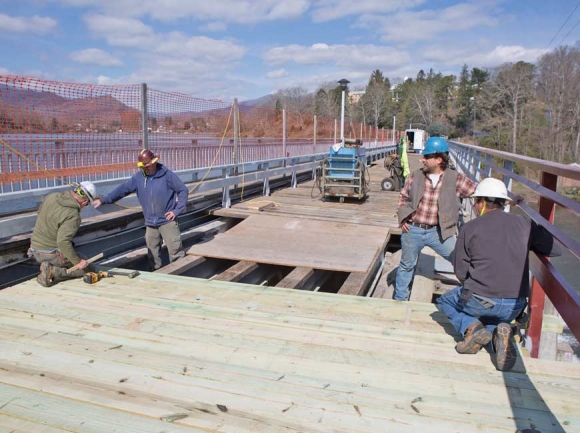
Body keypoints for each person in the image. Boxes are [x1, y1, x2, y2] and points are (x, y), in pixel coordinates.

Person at [436, 178, 561, 371]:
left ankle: (472, 327)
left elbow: (460, 272)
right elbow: (554, 249)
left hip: (481, 300)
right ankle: (499, 333)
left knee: (445, 301)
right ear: (503, 202)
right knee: (494, 316)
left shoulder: (469, 228)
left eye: (476, 202)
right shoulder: (524, 224)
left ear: (483, 202)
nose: (475, 206)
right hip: (515, 305)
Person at [394, 136, 478, 301]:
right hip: (413, 229)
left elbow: (479, 193)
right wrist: (402, 218)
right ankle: (400, 300)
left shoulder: (456, 179)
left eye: (426, 156)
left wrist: (505, 197)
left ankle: (472, 297)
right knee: (406, 266)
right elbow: (402, 197)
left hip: (439, 232)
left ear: (439, 159)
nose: (422, 159)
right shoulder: (415, 176)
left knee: (459, 260)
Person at [93, 149, 188, 270]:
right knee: (153, 254)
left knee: (175, 251)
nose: (145, 168)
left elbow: (182, 190)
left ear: (154, 162)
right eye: (142, 166)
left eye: (147, 165)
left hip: (167, 221)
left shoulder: (167, 175)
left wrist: (177, 210)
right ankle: (156, 274)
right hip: (150, 223)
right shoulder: (138, 178)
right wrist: (104, 200)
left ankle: (180, 275)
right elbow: (123, 189)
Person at [29, 181, 97, 287]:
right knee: (88, 267)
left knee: (76, 257)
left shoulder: (52, 196)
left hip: (34, 249)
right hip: (50, 254)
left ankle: (48, 266)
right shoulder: (73, 215)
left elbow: (40, 213)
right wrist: (78, 262)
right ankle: (53, 271)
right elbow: (62, 241)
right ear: (84, 202)